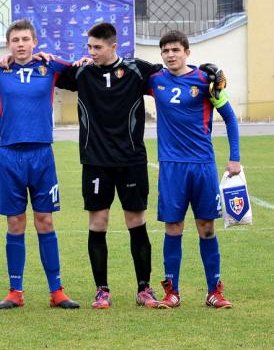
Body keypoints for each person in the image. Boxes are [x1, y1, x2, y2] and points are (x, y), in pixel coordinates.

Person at [53, 23, 163, 309]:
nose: (92, 52)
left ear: (114, 46)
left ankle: (144, 289)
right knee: (98, 223)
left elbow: (173, 75)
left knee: (136, 223)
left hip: (132, 161)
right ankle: (102, 290)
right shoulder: (82, 72)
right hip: (95, 162)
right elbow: (47, 70)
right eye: (89, 47)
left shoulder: (138, 70)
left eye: (97, 47)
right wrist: (28, 57)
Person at [0, 20, 80, 310]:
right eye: (15, 40)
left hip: (42, 155)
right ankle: (15, 291)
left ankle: (57, 291)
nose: (20, 44)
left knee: (45, 221)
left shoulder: (50, 67)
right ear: (8, 44)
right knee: (15, 222)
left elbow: (80, 69)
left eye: (25, 39)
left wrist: (66, 58)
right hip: (10, 156)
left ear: (35, 42)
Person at [148, 30, 240, 309]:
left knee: (206, 227)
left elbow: (230, 118)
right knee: (173, 227)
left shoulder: (206, 81)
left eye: (175, 50)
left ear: (187, 52)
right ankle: (171, 292)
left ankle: (214, 291)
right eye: (165, 51)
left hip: (202, 165)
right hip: (171, 166)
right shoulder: (155, 81)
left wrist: (234, 158)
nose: (170, 55)